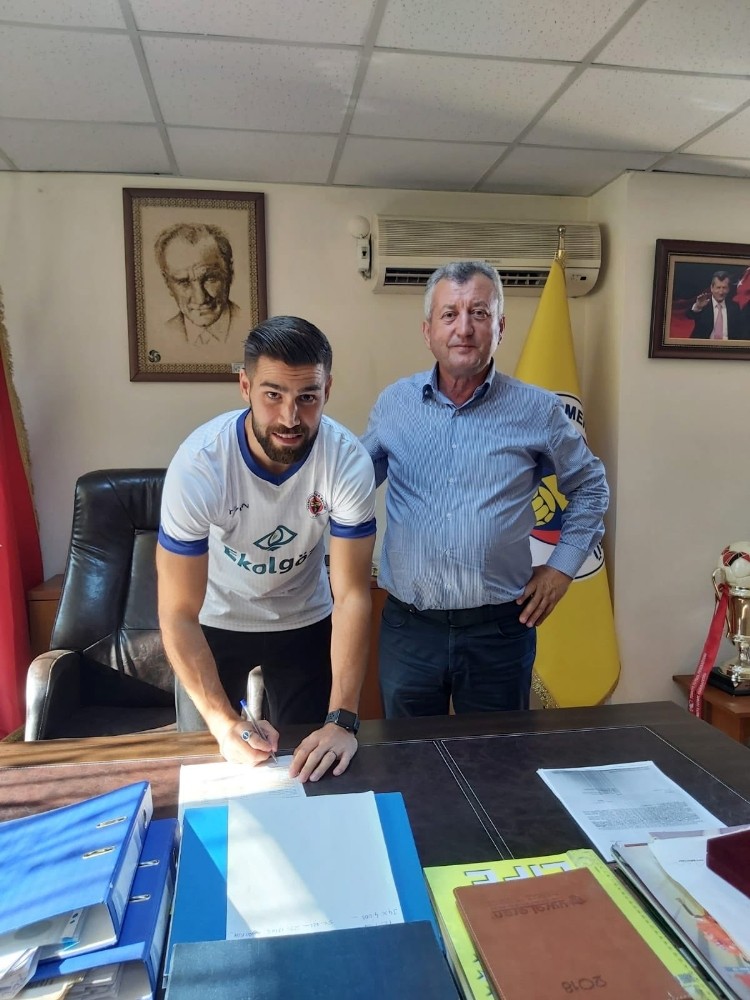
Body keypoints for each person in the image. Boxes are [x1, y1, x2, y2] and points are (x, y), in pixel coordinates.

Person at [361, 260, 609, 718]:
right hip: (410, 630)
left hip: (499, 631)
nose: (464, 328)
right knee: (409, 755)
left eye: (479, 313)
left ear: (500, 327)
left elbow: (591, 487)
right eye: (449, 314)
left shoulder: (538, 410)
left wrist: (561, 569)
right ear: (428, 331)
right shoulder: (394, 404)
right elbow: (353, 485)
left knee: (498, 756)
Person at [157, 316, 376, 782]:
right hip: (215, 620)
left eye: (307, 397)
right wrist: (222, 723)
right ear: (245, 386)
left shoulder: (347, 461)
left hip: (304, 620)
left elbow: (353, 594)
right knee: (210, 764)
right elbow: (177, 612)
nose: (290, 418)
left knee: (313, 765)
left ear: (327, 390)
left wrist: (343, 720)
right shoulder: (199, 466)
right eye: (273, 395)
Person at [154, 222, 244, 347]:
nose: (200, 299)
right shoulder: (159, 336)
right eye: (184, 282)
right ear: (167, 283)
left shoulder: (253, 325)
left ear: (230, 272)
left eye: (210, 278)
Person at [686, 271, 742, 340]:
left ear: (728, 289)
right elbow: (689, 317)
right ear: (712, 288)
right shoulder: (703, 305)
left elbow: (739, 332)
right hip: (706, 345)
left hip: (728, 345)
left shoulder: (734, 307)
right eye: (718, 287)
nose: (721, 292)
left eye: (724, 288)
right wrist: (698, 307)